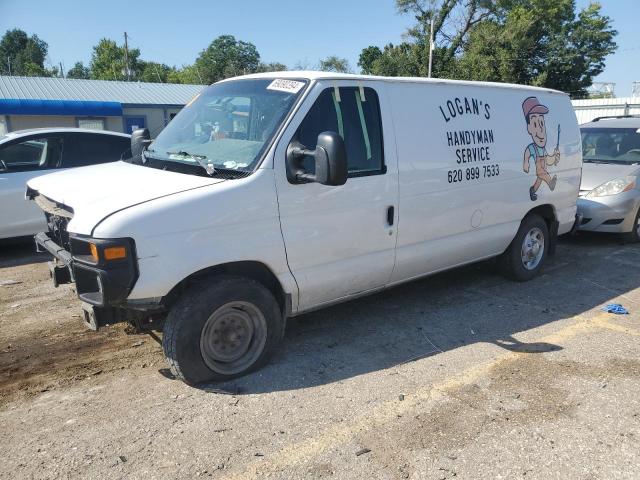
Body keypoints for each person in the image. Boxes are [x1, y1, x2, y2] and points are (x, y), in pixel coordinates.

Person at [522, 96, 560, 201]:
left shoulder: (543, 148)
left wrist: (554, 158)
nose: (540, 129)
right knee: (542, 174)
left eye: (542, 123)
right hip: (540, 168)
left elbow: (547, 159)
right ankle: (550, 183)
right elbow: (527, 153)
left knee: (539, 180)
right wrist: (526, 162)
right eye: (535, 124)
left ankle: (533, 190)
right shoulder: (532, 147)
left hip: (542, 167)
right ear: (529, 128)